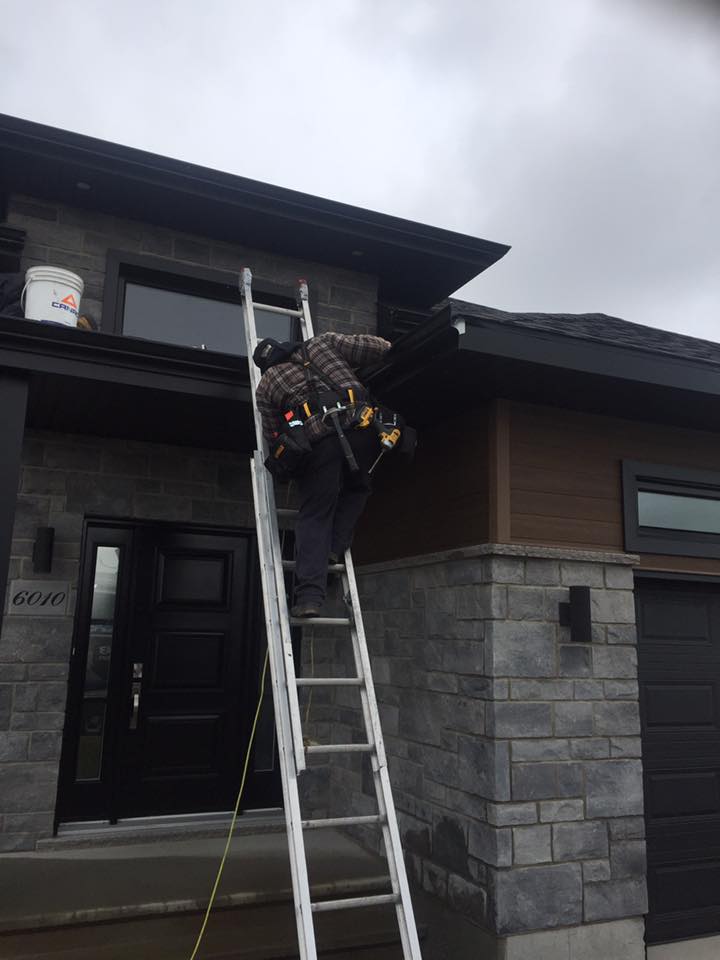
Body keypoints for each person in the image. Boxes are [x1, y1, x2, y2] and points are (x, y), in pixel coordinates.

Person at [254, 331, 392, 618]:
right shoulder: (322, 343)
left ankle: (309, 598)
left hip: (319, 445)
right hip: (364, 431)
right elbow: (378, 349)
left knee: (315, 514)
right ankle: (335, 546)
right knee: (359, 488)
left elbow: (273, 434)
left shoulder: (267, 383)